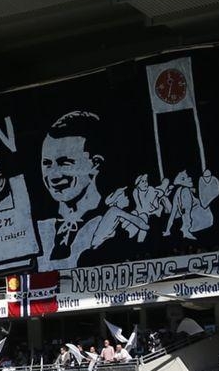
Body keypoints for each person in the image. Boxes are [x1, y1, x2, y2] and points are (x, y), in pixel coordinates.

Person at [34, 111, 147, 270]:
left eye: (65, 163)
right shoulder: (39, 230)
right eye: (47, 164)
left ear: (95, 164)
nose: (54, 175)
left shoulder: (116, 224)